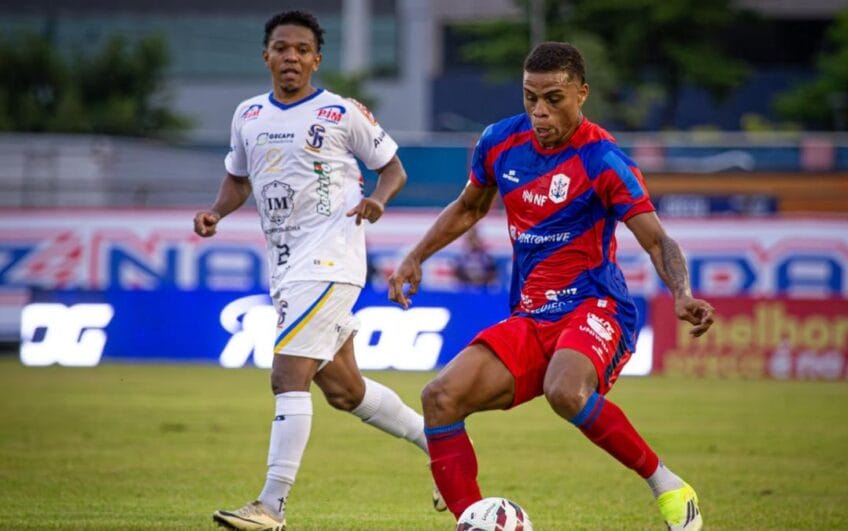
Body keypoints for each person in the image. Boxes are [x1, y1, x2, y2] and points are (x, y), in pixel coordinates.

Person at [388, 42, 714, 531]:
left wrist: (682, 293)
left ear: (581, 94)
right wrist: (416, 256)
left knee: (564, 390)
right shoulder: (499, 141)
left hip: (595, 307)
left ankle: (669, 487)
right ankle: (473, 521)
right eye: (530, 98)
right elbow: (470, 207)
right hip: (531, 316)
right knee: (439, 398)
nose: (540, 111)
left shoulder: (603, 159)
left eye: (553, 99)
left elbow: (656, 239)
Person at [193, 11, 444, 530]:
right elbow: (238, 179)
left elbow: (393, 168)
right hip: (287, 265)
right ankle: (440, 443)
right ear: (266, 56)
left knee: (287, 375)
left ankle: (271, 506)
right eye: (282, 48)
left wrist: (378, 200)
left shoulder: (340, 112)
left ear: (316, 60)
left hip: (331, 259)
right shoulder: (248, 115)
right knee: (345, 390)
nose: (292, 57)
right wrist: (216, 212)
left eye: (302, 50)